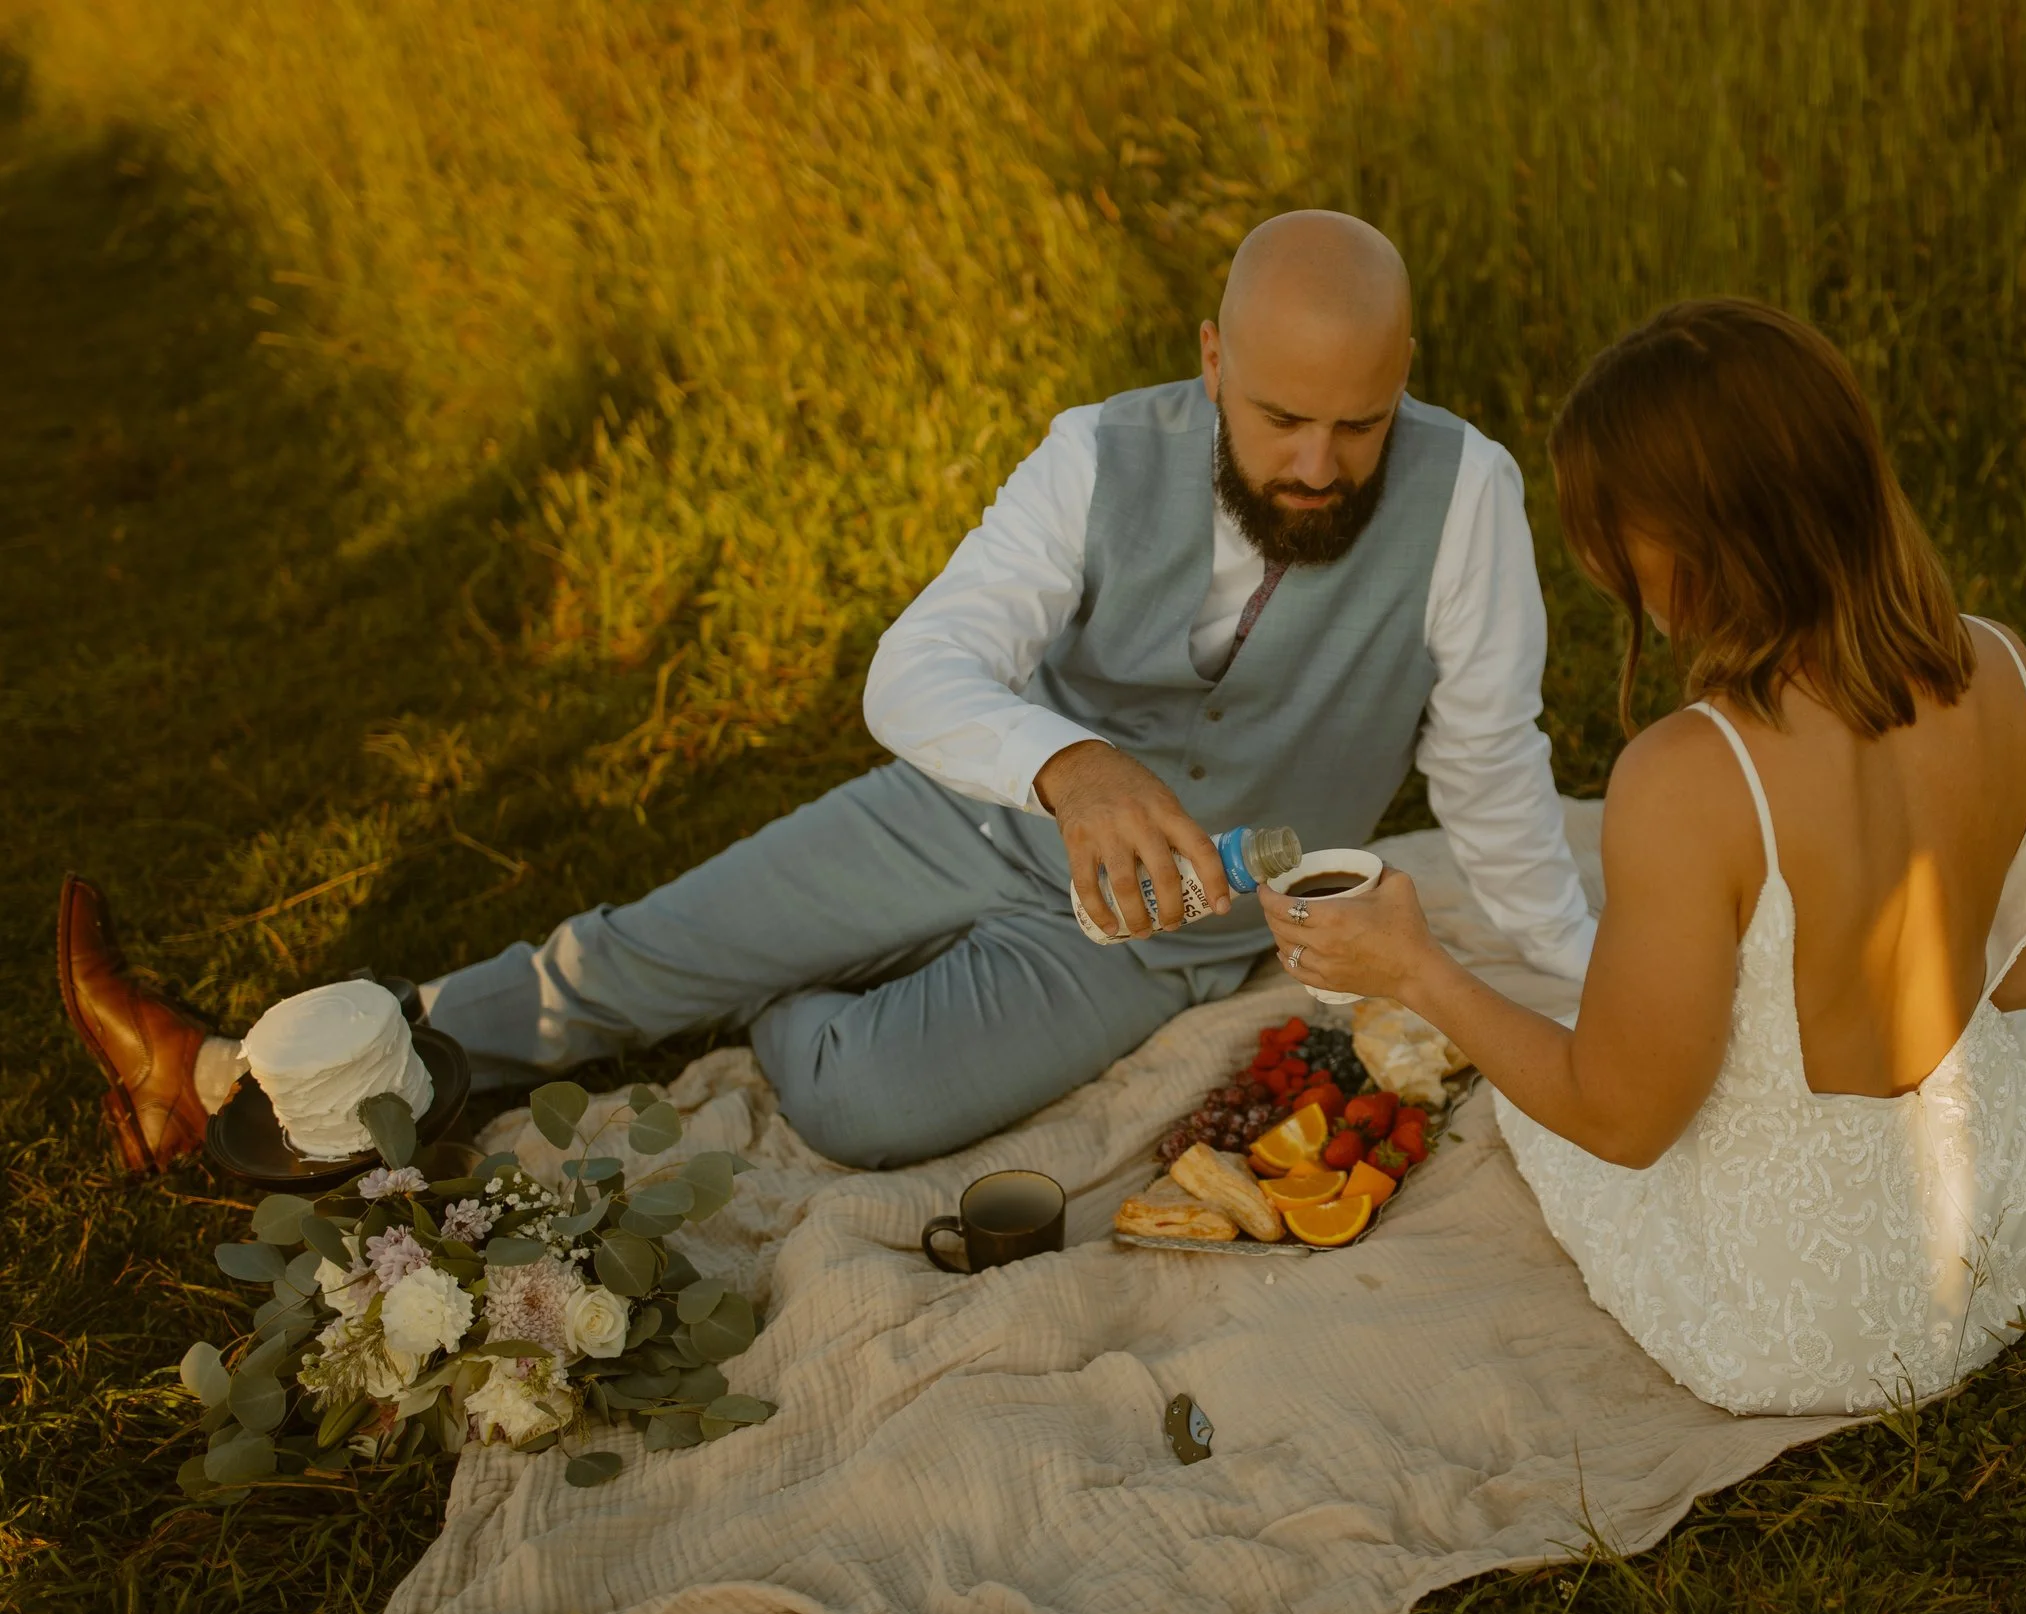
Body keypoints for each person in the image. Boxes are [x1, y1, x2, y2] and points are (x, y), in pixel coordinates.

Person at [56, 210, 1596, 1174]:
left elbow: (1493, 769)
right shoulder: (1090, 452)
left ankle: (786, 981)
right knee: (626, 954)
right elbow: (915, 667)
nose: (1321, 468)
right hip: (977, 815)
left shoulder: (1469, 495)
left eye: (1361, 424)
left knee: (862, 1110)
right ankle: (225, 1080)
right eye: (1281, 420)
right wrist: (1067, 765)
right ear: (1208, 358)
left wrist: (1581, 981)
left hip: (1161, 932)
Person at [1262, 297, 2026, 1417]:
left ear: (1698, 538)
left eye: (1613, 529)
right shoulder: (2003, 663)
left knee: (1538, 1118)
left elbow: (1624, 1119)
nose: (1600, 557)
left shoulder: (1691, 775)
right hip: (2005, 1212)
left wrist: (1415, 970)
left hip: (1810, 1312)